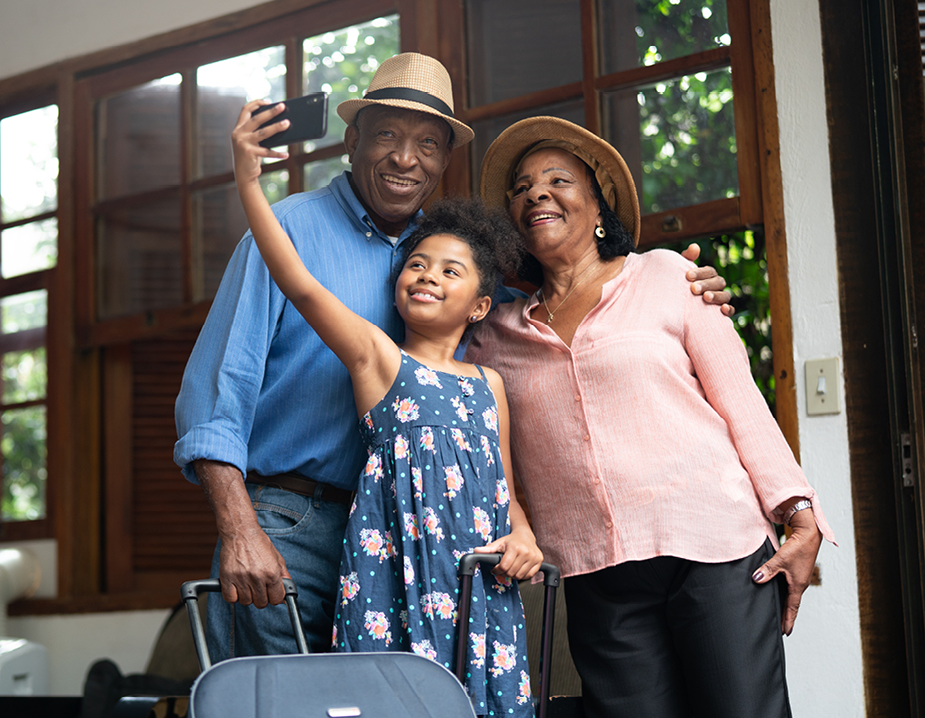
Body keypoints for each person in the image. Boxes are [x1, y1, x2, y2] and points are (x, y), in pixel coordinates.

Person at [172, 52, 731, 662]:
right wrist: (240, 527)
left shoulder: (456, 263)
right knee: (278, 700)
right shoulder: (286, 235)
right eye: (386, 134)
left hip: (414, 540)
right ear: (352, 140)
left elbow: (568, 291)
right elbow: (214, 395)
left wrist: (673, 282)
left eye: (428, 145)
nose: (406, 158)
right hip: (292, 522)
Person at [466, 115, 837, 718]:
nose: (536, 193)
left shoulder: (667, 275)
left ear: (598, 207)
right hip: (594, 572)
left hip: (714, 549)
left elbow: (740, 403)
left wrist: (800, 515)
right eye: (521, 187)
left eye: (558, 179)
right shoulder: (492, 334)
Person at [231, 96, 541, 716]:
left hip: (478, 590)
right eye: (418, 264)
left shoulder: (490, 385)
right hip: (395, 580)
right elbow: (298, 280)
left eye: (452, 271)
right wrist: (245, 179)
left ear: (483, 304)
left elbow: (505, 485)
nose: (427, 275)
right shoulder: (380, 358)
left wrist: (525, 535)